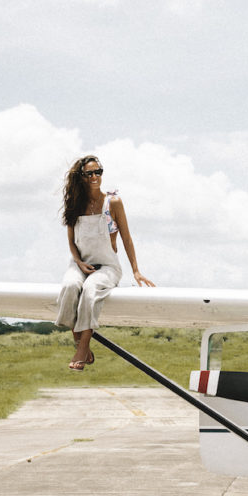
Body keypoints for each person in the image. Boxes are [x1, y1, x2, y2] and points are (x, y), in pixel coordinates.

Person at [55, 155, 154, 371]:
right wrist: (79, 263)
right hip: (80, 264)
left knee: (90, 291)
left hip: (107, 266)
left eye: (98, 172)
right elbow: (71, 242)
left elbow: (127, 238)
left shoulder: (113, 202)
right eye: (89, 173)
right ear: (81, 177)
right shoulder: (74, 203)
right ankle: (78, 340)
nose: (94, 177)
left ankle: (83, 347)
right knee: (70, 287)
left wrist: (136, 271)